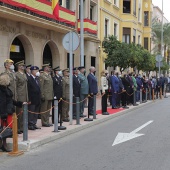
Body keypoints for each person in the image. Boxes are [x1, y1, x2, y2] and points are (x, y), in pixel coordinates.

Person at [0, 74, 23, 152]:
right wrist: (3, 115)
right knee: (4, 129)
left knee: (6, 129)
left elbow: (10, 100)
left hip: (8, 111)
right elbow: (2, 102)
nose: (10, 80)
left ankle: (3, 145)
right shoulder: (2, 90)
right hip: (5, 112)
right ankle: (3, 145)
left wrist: (19, 103)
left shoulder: (6, 88)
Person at [15, 60, 29, 134]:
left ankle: (22, 127)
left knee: (23, 113)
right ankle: (17, 128)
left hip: (25, 95)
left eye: (23, 66)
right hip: (20, 95)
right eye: (21, 66)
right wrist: (16, 96)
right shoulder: (16, 75)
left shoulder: (24, 74)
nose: (23, 67)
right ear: (18, 67)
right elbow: (16, 87)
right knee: (19, 113)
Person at [27, 66, 41, 130]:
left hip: (37, 98)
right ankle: (30, 124)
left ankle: (34, 123)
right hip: (32, 98)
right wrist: (29, 99)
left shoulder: (37, 78)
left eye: (37, 71)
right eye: (36, 71)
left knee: (36, 112)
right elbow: (29, 90)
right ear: (32, 71)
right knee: (31, 112)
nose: (37, 72)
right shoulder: (29, 78)